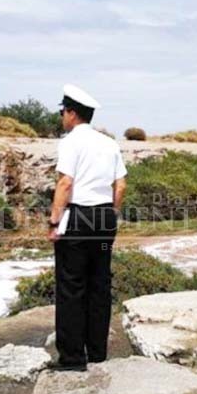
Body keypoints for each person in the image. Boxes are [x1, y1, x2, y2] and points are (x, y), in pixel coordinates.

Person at [47, 84, 127, 371]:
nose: (61, 117)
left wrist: (55, 221)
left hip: (78, 218)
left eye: (62, 112)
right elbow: (121, 185)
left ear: (71, 113)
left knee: (71, 285)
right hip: (105, 218)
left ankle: (72, 358)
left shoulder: (70, 141)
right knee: (99, 284)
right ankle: (97, 352)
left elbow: (65, 183)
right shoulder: (109, 143)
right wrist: (111, 214)